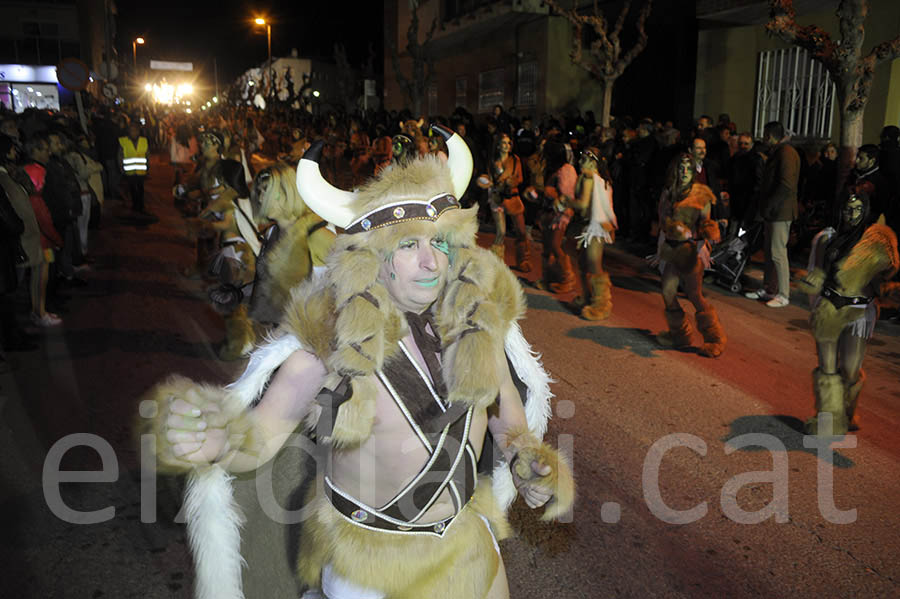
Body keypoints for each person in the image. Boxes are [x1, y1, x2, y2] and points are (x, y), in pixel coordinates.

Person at [140, 126, 574, 599]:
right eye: (409, 246)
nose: (431, 263)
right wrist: (213, 440)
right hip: (369, 569)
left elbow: (504, 411)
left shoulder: (477, 325)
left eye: (440, 243)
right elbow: (263, 434)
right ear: (374, 257)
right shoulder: (330, 345)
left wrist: (524, 455)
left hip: (469, 548)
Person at [798, 191, 899, 435]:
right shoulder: (827, 239)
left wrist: (886, 278)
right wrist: (811, 284)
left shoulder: (872, 243)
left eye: (857, 209)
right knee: (827, 369)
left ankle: (847, 411)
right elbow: (819, 274)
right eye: (847, 209)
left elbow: (886, 275)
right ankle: (827, 421)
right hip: (830, 308)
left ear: (865, 212)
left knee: (850, 371)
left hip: (858, 311)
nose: (851, 214)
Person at [654, 153, 726, 358]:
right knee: (668, 292)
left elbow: (706, 224)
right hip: (672, 249)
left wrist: (707, 232)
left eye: (688, 168)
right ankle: (680, 335)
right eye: (681, 168)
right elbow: (662, 222)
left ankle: (714, 339)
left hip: (692, 250)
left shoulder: (701, 195)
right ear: (675, 170)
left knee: (695, 295)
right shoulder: (669, 193)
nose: (684, 172)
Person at [247, 162, 335, 327]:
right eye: (259, 192)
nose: (260, 199)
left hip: (313, 334)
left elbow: (354, 280)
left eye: (266, 192)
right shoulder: (272, 233)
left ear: (287, 193)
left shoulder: (316, 235)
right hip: (282, 329)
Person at [745, 121, 800, 308]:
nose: (764, 138)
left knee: (778, 253)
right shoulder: (779, 152)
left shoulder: (786, 153)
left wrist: (770, 205)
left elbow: (786, 184)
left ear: (771, 135)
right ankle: (769, 288)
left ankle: (784, 294)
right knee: (769, 252)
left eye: (765, 134)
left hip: (780, 212)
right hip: (773, 211)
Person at [573, 147, 617, 320]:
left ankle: (601, 305)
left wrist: (564, 201)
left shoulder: (589, 179)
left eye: (583, 159)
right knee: (583, 263)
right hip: (593, 226)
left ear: (592, 162)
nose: (579, 162)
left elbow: (582, 205)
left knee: (594, 266)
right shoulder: (602, 181)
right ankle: (587, 297)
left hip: (595, 227)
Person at [483, 133, 530, 272]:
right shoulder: (492, 162)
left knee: (521, 232)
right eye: (504, 143)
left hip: (513, 197)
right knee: (501, 232)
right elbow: (488, 179)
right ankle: (495, 263)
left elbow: (520, 178)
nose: (507, 146)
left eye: (509, 143)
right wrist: (488, 185)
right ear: (498, 145)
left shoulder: (515, 160)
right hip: (497, 198)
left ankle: (524, 261)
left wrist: (512, 182)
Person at [537, 140, 578, 293]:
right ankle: (548, 278)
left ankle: (567, 279)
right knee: (547, 247)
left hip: (560, 214)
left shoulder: (566, 169)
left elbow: (567, 196)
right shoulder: (552, 168)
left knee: (555, 245)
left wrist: (551, 194)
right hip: (548, 211)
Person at [118, 120, 154, 219]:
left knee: (141, 188)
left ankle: (140, 205)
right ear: (128, 132)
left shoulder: (143, 141)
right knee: (133, 188)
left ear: (138, 131)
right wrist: (121, 168)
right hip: (129, 170)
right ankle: (135, 205)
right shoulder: (123, 141)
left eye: (135, 130)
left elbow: (147, 155)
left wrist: (148, 167)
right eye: (131, 130)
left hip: (141, 170)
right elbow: (120, 156)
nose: (134, 132)